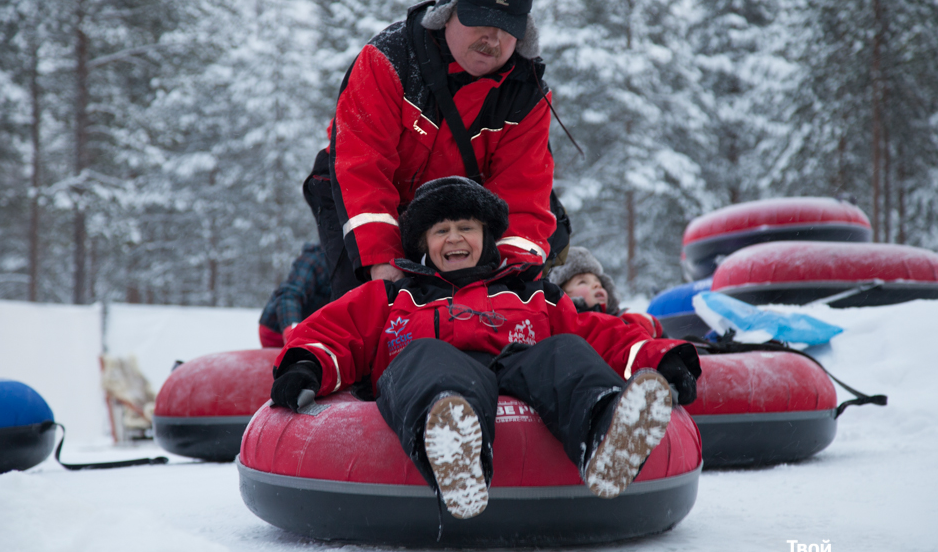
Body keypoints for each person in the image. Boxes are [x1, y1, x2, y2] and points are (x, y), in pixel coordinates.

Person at [270, 177, 701, 519]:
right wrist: (305, 364)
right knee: (426, 358)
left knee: (563, 350)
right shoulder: (395, 297)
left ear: (486, 238)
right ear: (423, 244)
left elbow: (599, 334)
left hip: (519, 366)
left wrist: (661, 358)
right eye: (441, 231)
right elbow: (335, 330)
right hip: (438, 373)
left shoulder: (533, 294)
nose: (454, 239)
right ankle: (457, 454)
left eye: (466, 228)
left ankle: (606, 432)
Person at [303, 0, 558, 300]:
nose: (493, 39)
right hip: (360, 198)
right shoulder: (388, 61)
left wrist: (512, 279)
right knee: (370, 308)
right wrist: (382, 264)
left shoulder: (528, 97)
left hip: (456, 217)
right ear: (450, 12)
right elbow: (362, 169)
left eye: (506, 28)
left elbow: (523, 196)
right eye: (481, 21)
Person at [549, 246, 666, 339]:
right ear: (563, 294)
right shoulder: (568, 329)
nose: (596, 285)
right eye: (582, 282)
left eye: (597, 281)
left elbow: (654, 327)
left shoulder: (628, 319)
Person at [258, 243, 331, 348]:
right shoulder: (314, 259)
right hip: (276, 331)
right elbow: (289, 295)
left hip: (312, 335)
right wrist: (292, 330)